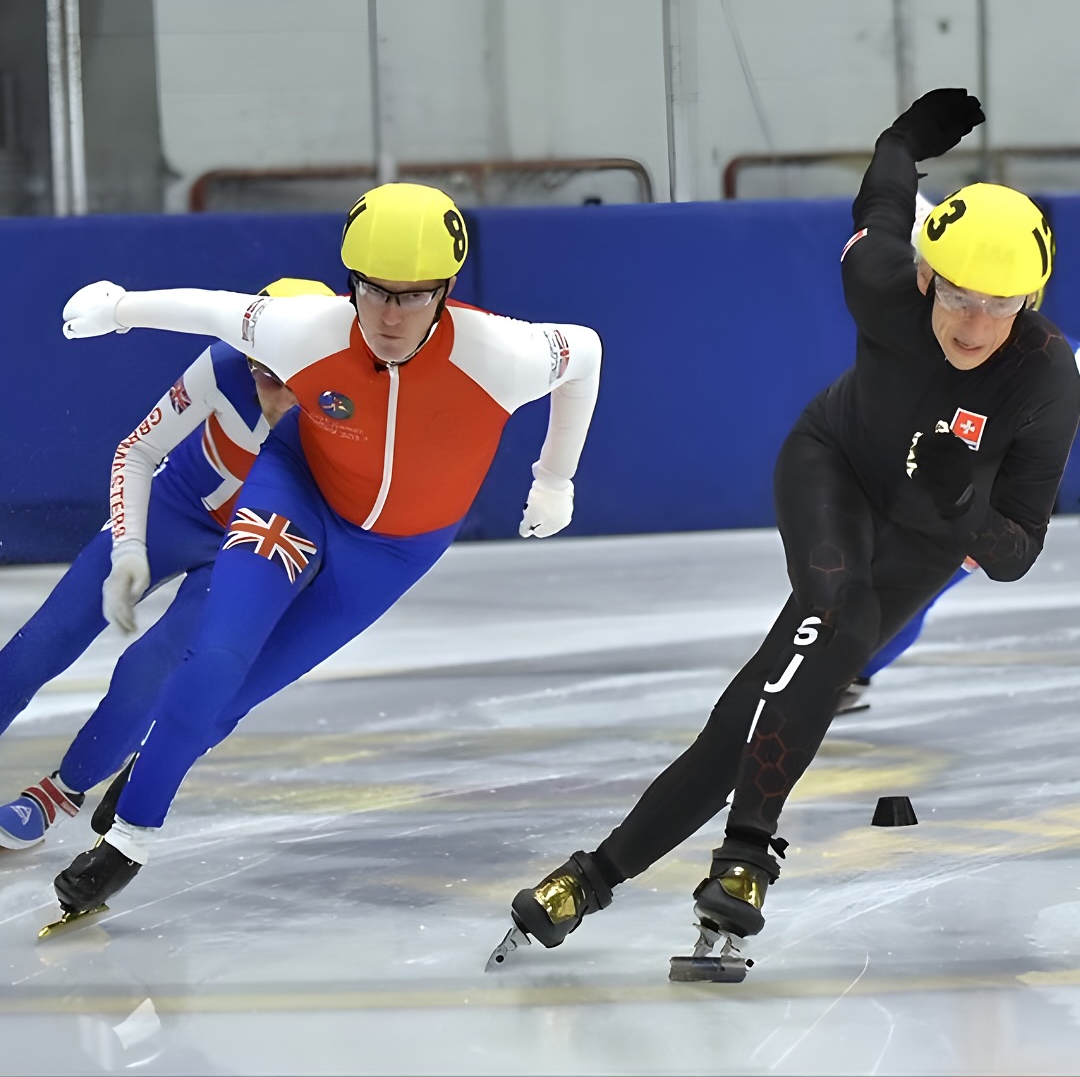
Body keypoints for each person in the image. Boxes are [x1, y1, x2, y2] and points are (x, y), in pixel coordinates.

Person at [488, 89, 1080, 982]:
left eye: (1001, 305)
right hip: (832, 466)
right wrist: (902, 139)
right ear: (926, 277)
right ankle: (745, 857)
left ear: (1029, 301)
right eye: (959, 294)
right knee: (838, 617)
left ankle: (594, 876)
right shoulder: (881, 284)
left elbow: (1017, 552)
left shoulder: (1045, 377)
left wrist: (960, 503)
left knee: (777, 687)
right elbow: (883, 203)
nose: (974, 324)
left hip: (928, 533)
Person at [52, 182, 602, 918]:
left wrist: (554, 479)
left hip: (394, 551)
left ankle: (154, 764)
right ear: (351, 282)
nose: (390, 315)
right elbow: (210, 310)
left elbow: (586, 353)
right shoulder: (304, 329)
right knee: (214, 659)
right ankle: (128, 842)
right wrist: (119, 308)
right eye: (374, 291)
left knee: (234, 698)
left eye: (413, 296)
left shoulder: (503, 354)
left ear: (445, 291)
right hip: (297, 492)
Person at [0, 279, 331, 849]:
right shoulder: (224, 366)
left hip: (249, 543)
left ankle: (58, 794)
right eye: (262, 374)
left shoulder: (350, 406)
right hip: (177, 506)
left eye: (292, 380)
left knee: (150, 671)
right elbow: (138, 450)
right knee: (45, 638)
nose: (275, 395)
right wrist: (129, 546)